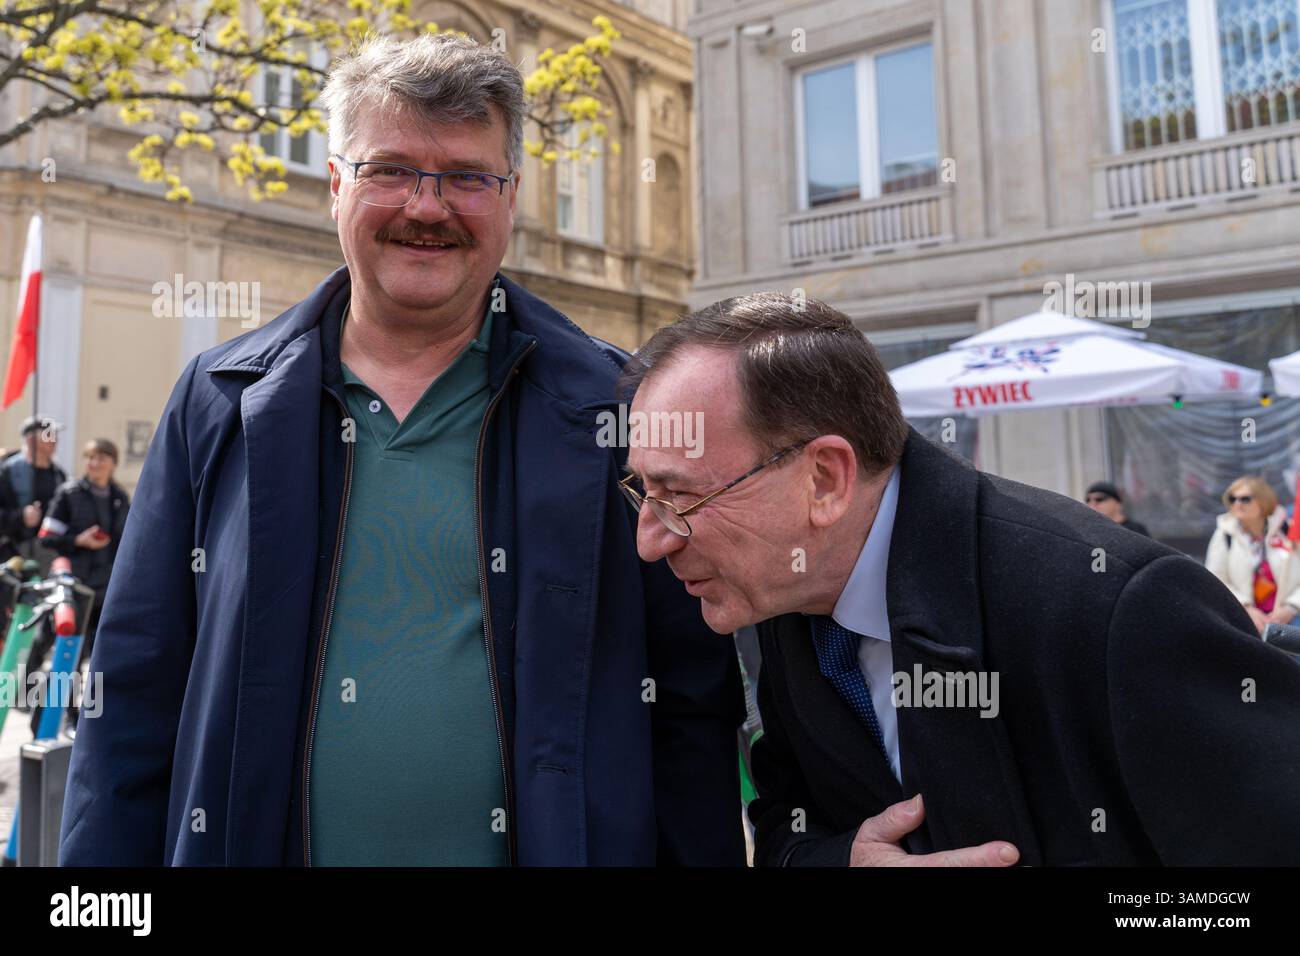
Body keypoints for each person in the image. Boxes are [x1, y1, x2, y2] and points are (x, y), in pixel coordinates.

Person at [60, 33, 744, 867]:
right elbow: (129, 696)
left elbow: (691, 707)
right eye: (390, 170)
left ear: (511, 197)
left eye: (466, 176)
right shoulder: (221, 401)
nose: (428, 207)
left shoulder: (617, 413)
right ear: (337, 185)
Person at [618, 292, 1300, 866]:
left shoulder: (1120, 606)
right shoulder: (783, 596)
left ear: (824, 479)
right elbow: (783, 819)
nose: (650, 540)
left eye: (679, 497)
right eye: (640, 491)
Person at [1204, 475, 1299, 636]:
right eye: (1233, 498)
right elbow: (1215, 580)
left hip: (1292, 620)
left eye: (1245, 499)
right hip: (1245, 622)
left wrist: (1291, 608)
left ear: (1263, 502)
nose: (1238, 504)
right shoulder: (1224, 535)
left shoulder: (1288, 530)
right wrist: (1246, 608)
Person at [0, 416, 68, 573]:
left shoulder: (59, 475)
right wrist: (20, 516)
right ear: (31, 440)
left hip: (46, 556)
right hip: (10, 556)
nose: (55, 440)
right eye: (49, 434)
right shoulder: (6, 472)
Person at [1084, 480, 1150, 537]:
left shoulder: (1136, 530)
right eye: (1088, 500)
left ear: (1118, 503)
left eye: (1099, 499)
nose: (1092, 504)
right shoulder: (1089, 531)